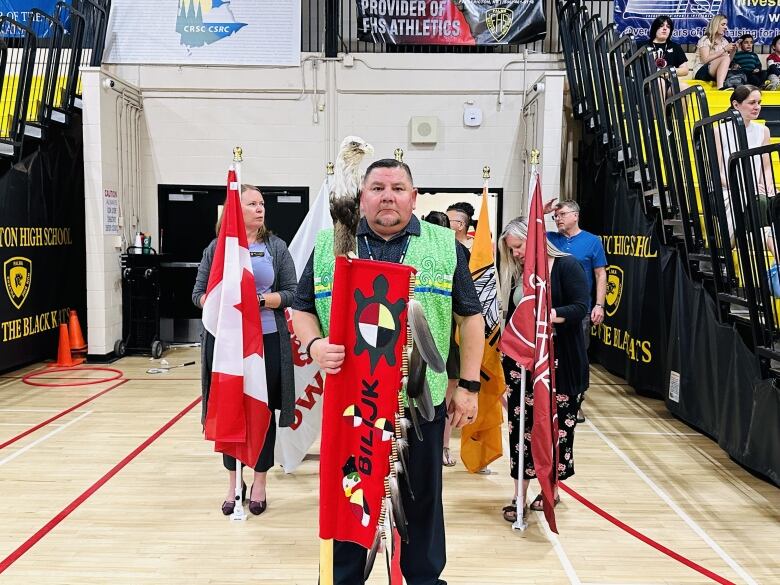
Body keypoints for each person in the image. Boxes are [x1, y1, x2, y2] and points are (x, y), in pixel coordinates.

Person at [292, 159, 485, 585]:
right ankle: (342, 579)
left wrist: (469, 386)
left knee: (420, 506)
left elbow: (471, 318)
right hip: (351, 406)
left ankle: (421, 580)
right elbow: (301, 307)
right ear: (362, 197)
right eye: (377, 187)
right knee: (349, 496)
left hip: (419, 405)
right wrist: (314, 344)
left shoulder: (444, 245)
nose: (387, 196)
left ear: (414, 198)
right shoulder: (330, 246)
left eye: (398, 188)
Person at [193, 184, 298, 516]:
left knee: (261, 414)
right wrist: (215, 301)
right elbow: (198, 293)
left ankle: (260, 482)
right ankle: (231, 483)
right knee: (229, 411)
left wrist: (262, 301)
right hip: (227, 346)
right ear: (235, 210)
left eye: (262, 203)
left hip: (265, 343)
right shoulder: (217, 249)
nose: (260, 208)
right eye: (252, 203)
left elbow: (292, 293)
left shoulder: (276, 247)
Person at [497, 217, 589, 521]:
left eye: (519, 246)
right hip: (521, 368)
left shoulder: (567, 266)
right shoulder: (518, 275)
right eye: (511, 250)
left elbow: (580, 308)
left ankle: (551, 489)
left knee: (557, 429)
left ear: (535, 239)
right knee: (519, 430)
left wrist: (547, 316)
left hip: (561, 364)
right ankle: (518, 495)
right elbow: (511, 320)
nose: (516, 254)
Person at [541, 199, 607, 423]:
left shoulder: (592, 241)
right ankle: (552, 395)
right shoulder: (551, 238)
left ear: (576, 215)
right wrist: (542, 212)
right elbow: (529, 234)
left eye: (562, 215)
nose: (557, 219)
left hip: (579, 308)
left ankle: (576, 401)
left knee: (578, 353)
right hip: (553, 308)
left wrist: (599, 304)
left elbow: (600, 274)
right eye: (555, 216)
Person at [422, 210, 461, 467]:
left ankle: (443, 447)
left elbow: (469, 309)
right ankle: (440, 447)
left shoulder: (456, 252)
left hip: (449, 337)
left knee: (443, 402)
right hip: (421, 340)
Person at [716, 85, 774, 243]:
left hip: (753, 188)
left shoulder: (764, 131)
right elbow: (717, 170)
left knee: (768, 200)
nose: (757, 107)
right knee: (760, 205)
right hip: (727, 188)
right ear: (736, 104)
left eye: (759, 102)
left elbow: (766, 166)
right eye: (752, 102)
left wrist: (767, 185)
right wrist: (740, 185)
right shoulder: (719, 130)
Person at [644, 15, 689, 92]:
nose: (665, 28)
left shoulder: (675, 47)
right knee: (659, 82)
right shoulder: (643, 45)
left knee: (684, 88)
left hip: (668, 83)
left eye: (668, 27)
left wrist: (669, 72)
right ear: (655, 28)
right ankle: (660, 104)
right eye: (661, 26)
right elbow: (625, 61)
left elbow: (685, 70)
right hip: (645, 83)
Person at [694, 14, 736, 90]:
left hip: (714, 72)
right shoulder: (705, 39)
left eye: (726, 25)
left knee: (726, 58)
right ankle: (720, 87)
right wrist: (724, 49)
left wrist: (733, 51)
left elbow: (726, 61)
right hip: (701, 72)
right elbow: (705, 60)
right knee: (725, 58)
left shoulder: (724, 41)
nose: (726, 27)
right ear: (716, 25)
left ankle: (721, 86)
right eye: (723, 24)